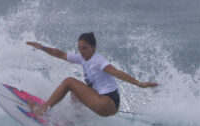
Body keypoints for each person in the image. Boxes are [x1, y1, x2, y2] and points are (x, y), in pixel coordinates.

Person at [26, 32, 158, 117]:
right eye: (80, 48)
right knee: (75, 91)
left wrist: (140, 84)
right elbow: (60, 54)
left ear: (93, 48)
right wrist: (42, 47)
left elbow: (117, 72)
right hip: (109, 103)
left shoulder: (98, 60)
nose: (81, 51)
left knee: (69, 82)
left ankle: (41, 111)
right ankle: (75, 121)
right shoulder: (83, 58)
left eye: (85, 48)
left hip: (106, 103)